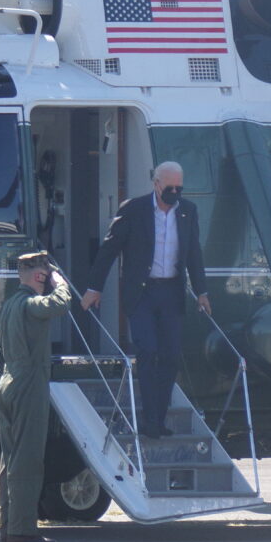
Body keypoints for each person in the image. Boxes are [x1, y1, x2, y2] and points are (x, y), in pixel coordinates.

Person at [81, 161, 210, 438]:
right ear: (156, 184)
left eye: (179, 187)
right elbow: (109, 249)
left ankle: (159, 418)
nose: (175, 192)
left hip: (171, 292)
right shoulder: (134, 210)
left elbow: (194, 255)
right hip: (142, 292)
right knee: (148, 350)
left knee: (171, 355)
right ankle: (149, 419)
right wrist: (94, 287)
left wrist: (202, 291)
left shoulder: (188, 211)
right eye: (170, 187)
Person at [0, 251, 71, 542]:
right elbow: (59, 304)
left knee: (9, 460)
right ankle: (22, 530)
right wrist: (60, 283)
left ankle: (7, 526)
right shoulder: (29, 304)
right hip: (28, 382)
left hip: (7, 379)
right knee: (27, 460)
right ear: (40, 275)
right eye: (45, 273)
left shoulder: (9, 305)